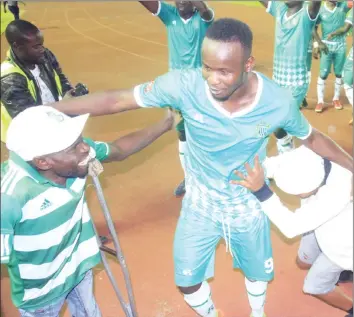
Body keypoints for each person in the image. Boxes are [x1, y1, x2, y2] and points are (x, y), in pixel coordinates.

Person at [50, 18, 353, 317]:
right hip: (200, 204)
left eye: (224, 71)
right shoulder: (184, 84)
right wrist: (52, 109)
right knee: (187, 282)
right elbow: (119, 100)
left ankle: (256, 312)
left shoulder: (277, 102)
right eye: (207, 67)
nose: (212, 78)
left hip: (247, 205)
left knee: (258, 275)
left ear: (248, 65)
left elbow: (313, 138)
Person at [0, 105, 174, 316]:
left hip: (78, 267)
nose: (85, 149)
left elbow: (119, 150)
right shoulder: (9, 197)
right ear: (43, 162)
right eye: (73, 147)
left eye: (80, 140)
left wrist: (165, 124)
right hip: (42, 293)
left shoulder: (73, 158)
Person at [232, 146, 353, 317]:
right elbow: (275, 165)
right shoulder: (310, 155)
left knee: (313, 287)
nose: (296, 197)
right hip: (317, 227)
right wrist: (253, 170)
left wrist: (261, 191)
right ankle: (346, 274)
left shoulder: (339, 191)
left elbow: (290, 227)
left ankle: (351, 308)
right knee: (302, 262)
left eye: (298, 194)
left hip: (342, 248)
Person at [139, 0, 214, 197]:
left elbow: (206, 11)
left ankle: (208, 177)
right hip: (177, 90)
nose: (180, 1)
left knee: (203, 133)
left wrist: (200, 5)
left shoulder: (203, 17)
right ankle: (190, 179)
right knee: (182, 134)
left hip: (200, 88)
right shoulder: (170, 14)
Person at [259, 0, 321, 153]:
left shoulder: (307, 14)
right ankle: (286, 148)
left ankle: (286, 155)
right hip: (277, 82)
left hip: (296, 83)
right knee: (267, 124)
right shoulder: (279, 9)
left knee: (278, 122)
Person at [1, 20, 76, 142]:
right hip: (27, 139)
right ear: (17, 47)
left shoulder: (44, 55)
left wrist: (69, 92)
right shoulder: (9, 78)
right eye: (36, 46)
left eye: (41, 44)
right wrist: (64, 107)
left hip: (53, 122)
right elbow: (29, 118)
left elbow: (60, 76)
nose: (42, 49)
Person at [313, 1, 352, 113]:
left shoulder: (343, 5)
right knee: (323, 74)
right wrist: (317, 44)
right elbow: (313, 28)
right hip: (326, 46)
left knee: (339, 74)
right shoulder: (320, 10)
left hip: (341, 46)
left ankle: (336, 98)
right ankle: (320, 101)